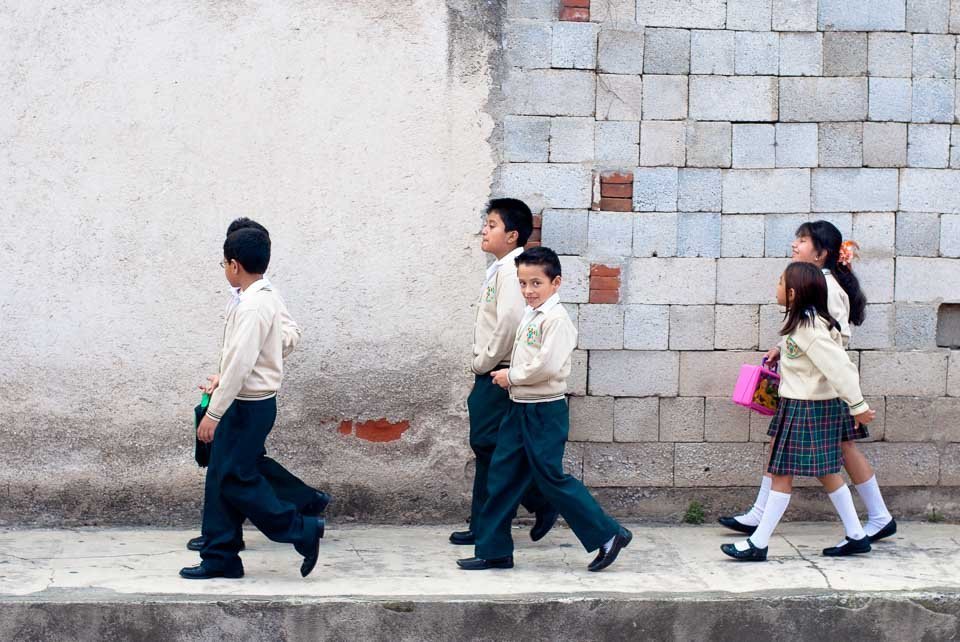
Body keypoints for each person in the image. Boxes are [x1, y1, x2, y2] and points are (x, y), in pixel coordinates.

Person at [457, 247, 631, 572]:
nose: (528, 291)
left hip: (544, 412)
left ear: (556, 282)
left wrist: (511, 376)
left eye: (536, 283)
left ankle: (609, 535)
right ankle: (494, 550)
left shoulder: (557, 319)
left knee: (552, 478)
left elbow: (546, 366)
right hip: (518, 408)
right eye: (523, 284)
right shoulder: (531, 315)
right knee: (502, 476)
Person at [720, 221, 896, 543]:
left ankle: (763, 525)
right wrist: (784, 348)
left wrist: (857, 403)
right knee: (828, 457)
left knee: (831, 456)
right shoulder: (820, 285)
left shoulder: (823, 287)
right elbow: (812, 338)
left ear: (821, 254)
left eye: (802, 241)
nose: (795, 245)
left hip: (819, 390)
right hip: (819, 387)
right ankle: (868, 522)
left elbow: (826, 345)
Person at [179, 228, 322, 579]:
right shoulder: (254, 298)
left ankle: (300, 529)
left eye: (224, 263)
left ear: (235, 264)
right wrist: (222, 376)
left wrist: (213, 413)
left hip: (245, 405)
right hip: (244, 400)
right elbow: (240, 358)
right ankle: (220, 556)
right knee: (223, 478)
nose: (224, 269)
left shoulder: (255, 305)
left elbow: (243, 363)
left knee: (236, 480)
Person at [451, 199, 557, 547]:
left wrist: (483, 362)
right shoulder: (501, 268)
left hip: (498, 372)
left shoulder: (514, 271)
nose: (485, 229)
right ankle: (483, 525)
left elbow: (510, 324)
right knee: (488, 449)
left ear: (512, 235)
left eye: (492, 225)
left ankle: (543, 499)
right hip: (494, 370)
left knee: (491, 447)